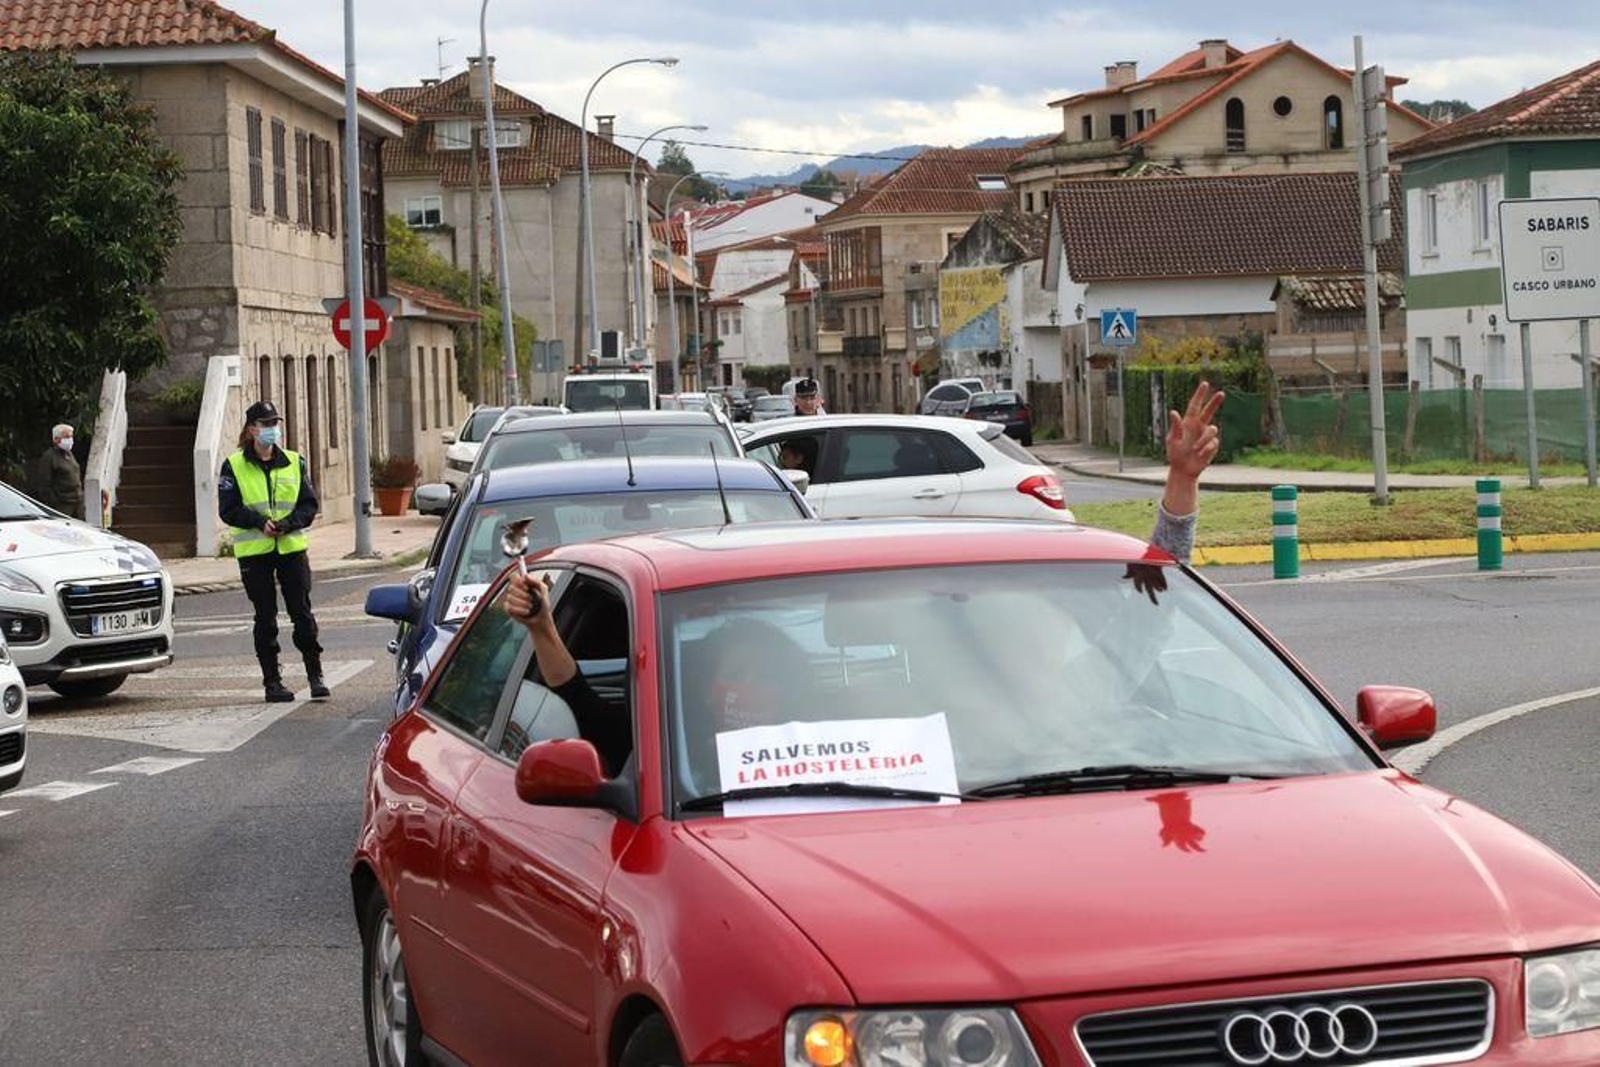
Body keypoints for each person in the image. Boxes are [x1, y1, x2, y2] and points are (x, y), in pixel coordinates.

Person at [218, 401, 327, 703]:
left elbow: (309, 504)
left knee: (302, 614)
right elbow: (228, 509)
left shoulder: (294, 461)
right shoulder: (234, 465)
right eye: (266, 425)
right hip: (255, 552)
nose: (272, 430)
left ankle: (315, 675)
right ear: (252, 429)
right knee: (265, 618)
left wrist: (289, 524)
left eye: (274, 424)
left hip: (291, 548)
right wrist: (258, 523)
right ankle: (272, 682)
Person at [32, 424, 83, 517]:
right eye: (67, 437)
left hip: (77, 503)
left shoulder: (69, 454)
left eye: (71, 437)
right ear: (56, 439)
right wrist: (55, 503)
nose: (70, 440)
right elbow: (44, 485)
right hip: (62, 506)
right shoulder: (49, 457)